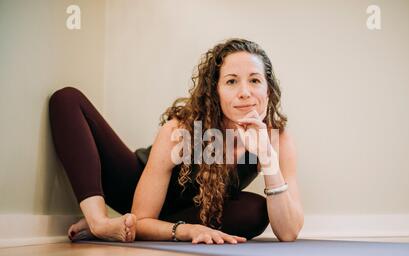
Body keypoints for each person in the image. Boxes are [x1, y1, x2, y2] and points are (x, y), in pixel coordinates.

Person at [49, 38, 304, 244]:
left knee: (256, 212)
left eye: (255, 80)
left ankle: (130, 228)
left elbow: (289, 232)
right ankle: (99, 223)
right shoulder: (179, 131)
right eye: (231, 81)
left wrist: (268, 158)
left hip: (191, 210)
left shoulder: (277, 139)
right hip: (135, 192)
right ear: (215, 91)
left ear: (267, 90)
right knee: (67, 99)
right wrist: (187, 232)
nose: (245, 92)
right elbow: (144, 216)